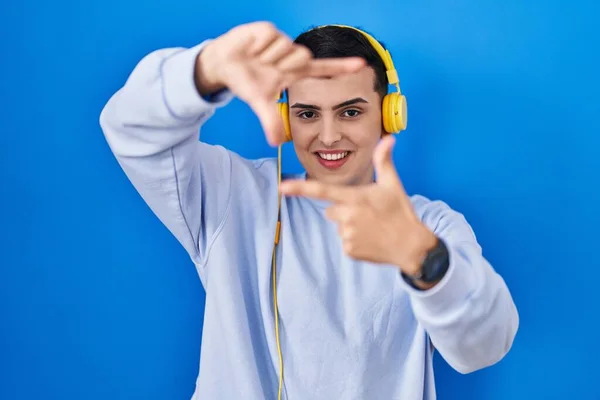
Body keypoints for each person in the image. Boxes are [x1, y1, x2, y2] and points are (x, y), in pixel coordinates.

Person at [100, 21, 519, 400]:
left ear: (390, 116)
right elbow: (129, 128)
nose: (329, 135)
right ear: (286, 118)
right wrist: (204, 69)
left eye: (351, 111)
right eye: (307, 114)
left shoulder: (427, 226)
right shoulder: (232, 192)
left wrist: (421, 257)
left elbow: (484, 345)